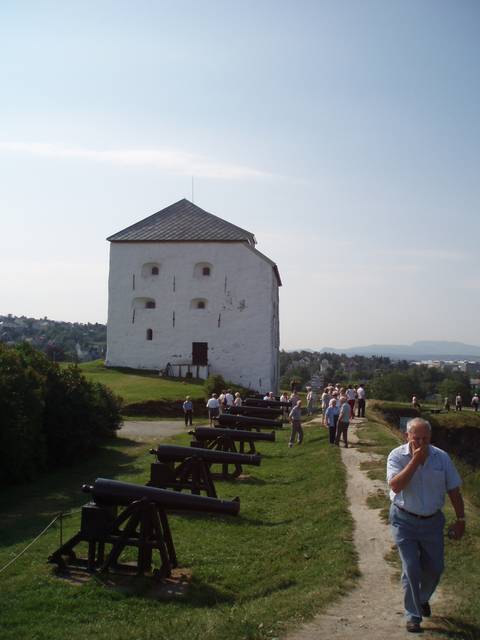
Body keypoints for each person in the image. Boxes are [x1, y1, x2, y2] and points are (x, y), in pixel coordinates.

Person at [387, 418, 465, 633]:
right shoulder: (396, 456)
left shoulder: (442, 458)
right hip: (404, 520)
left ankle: (421, 598)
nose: (421, 443)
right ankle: (413, 615)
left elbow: (454, 491)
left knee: (435, 568)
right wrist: (415, 461)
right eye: (416, 438)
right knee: (411, 567)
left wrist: (461, 520)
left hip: (432, 521)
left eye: (425, 439)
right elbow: (395, 485)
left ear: (430, 437)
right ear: (407, 437)